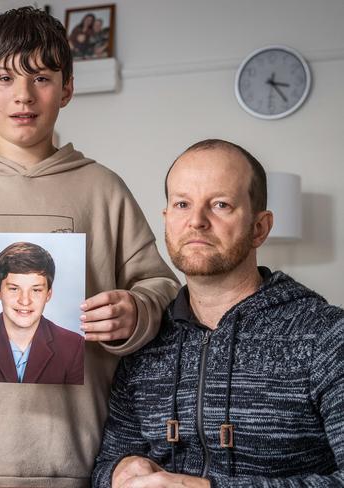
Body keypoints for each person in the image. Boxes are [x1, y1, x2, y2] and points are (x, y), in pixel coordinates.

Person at [0, 7, 179, 486]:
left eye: (42, 78)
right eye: (5, 78)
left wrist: (136, 310)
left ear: (67, 89)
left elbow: (162, 286)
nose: (23, 96)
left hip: (79, 457)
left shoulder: (104, 190)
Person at [93, 139, 344, 487]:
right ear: (167, 220)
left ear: (260, 227)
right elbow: (105, 464)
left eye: (221, 205)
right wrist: (118, 472)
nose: (196, 221)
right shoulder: (147, 340)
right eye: (182, 204)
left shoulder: (327, 336)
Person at [0, 242, 84, 385]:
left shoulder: (74, 346)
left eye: (36, 290)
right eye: (14, 289)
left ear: (48, 294)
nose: (25, 301)